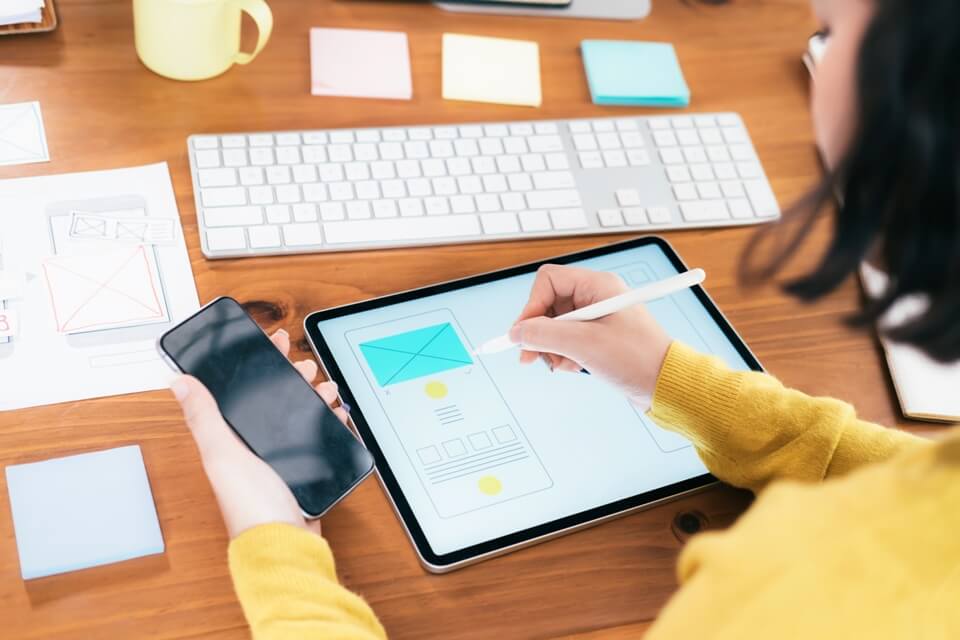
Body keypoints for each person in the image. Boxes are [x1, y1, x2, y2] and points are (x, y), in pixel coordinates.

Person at [169, 0, 960, 637]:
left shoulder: (783, 590)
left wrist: (272, 542)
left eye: (827, 34)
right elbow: (902, 482)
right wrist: (672, 379)